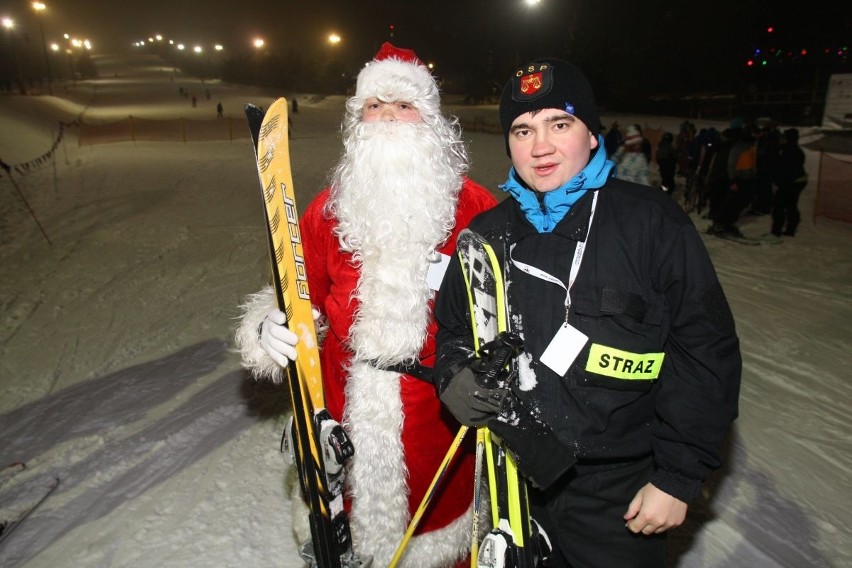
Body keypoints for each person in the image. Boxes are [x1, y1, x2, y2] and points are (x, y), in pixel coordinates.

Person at [433, 58, 741, 568]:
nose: (541, 146)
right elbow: (453, 329)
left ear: (593, 134)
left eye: (560, 123)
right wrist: (453, 374)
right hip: (512, 480)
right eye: (522, 129)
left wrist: (677, 477)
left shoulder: (651, 222)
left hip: (620, 493)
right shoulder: (486, 234)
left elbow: (706, 351)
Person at [234, 43, 497, 567]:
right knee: (343, 536)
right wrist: (270, 324)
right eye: (374, 105)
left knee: (441, 539)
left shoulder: (476, 208)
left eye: (404, 105)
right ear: (357, 120)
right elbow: (294, 286)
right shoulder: (328, 208)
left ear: (431, 119)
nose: (388, 118)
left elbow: (504, 310)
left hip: (438, 416)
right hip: (344, 408)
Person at [770, 128, 808, 236]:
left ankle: (776, 231)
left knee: (779, 205)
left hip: (792, 182)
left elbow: (785, 170)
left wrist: (778, 181)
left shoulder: (790, 152)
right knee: (790, 205)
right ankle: (790, 229)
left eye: (783, 137)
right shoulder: (791, 149)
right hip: (796, 181)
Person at [655, 131, 678, 195]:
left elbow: (658, 157)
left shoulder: (661, 147)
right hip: (669, 167)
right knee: (669, 182)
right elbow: (675, 157)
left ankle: (664, 191)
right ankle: (666, 193)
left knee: (665, 180)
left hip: (663, 167)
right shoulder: (670, 148)